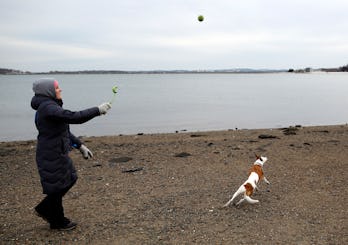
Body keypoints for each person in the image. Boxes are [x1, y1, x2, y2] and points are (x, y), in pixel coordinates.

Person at [31, 78, 111, 231]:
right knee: (57, 187)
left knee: (70, 179)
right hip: (50, 154)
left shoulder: (50, 106)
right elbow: (74, 117)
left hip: (58, 151)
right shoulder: (48, 107)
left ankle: (47, 211)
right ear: (48, 92)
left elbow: (64, 131)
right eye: (57, 88)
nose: (60, 90)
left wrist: (80, 145)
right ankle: (57, 221)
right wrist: (97, 110)